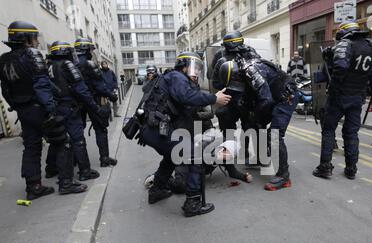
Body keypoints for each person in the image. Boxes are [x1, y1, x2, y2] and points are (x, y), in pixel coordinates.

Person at [137, 52, 231, 217]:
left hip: (153, 129)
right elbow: (187, 97)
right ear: (184, 66)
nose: (196, 73)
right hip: (155, 128)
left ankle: (157, 190)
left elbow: (185, 115)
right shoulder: (177, 77)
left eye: (198, 69)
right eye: (194, 68)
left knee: (173, 156)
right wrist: (213, 98)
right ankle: (193, 203)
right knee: (193, 155)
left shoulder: (177, 81)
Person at [0, 21, 87, 199]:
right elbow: (42, 85)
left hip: (23, 111)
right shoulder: (32, 54)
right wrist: (52, 110)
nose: (37, 42)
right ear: (26, 39)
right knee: (64, 142)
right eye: (34, 38)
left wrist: (18, 107)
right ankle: (66, 183)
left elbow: (5, 89)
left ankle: (34, 187)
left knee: (31, 147)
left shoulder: (4, 59)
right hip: (40, 107)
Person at [312, 20, 372, 180]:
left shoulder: (345, 44)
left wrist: (333, 89)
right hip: (357, 97)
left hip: (340, 96)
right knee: (351, 132)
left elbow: (340, 67)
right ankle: (351, 168)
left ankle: (325, 167)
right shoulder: (369, 47)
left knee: (328, 130)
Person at [233, 51, 299, 190]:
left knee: (274, 134)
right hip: (275, 97)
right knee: (256, 124)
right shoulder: (245, 71)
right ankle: (261, 158)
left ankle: (283, 176)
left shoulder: (251, 71)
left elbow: (266, 99)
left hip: (285, 97)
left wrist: (255, 114)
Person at [45, 41, 102, 182]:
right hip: (69, 107)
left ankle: (51, 169)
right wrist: (94, 107)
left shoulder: (49, 66)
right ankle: (85, 171)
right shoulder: (67, 65)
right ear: (65, 52)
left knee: (59, 140)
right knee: (78, 140)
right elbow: (81, 89)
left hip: (56, 108)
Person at [74, 38, 119, 167]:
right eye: (90, 50)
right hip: (93, 100)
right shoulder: (89, 64)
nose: (92, 52)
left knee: (77, 132)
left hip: (77, 102)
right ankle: (104, 158)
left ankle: (77, 161)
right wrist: (112, 96)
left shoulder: (71, 64)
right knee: (100, 129)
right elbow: (100, 86)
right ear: (86, 50)